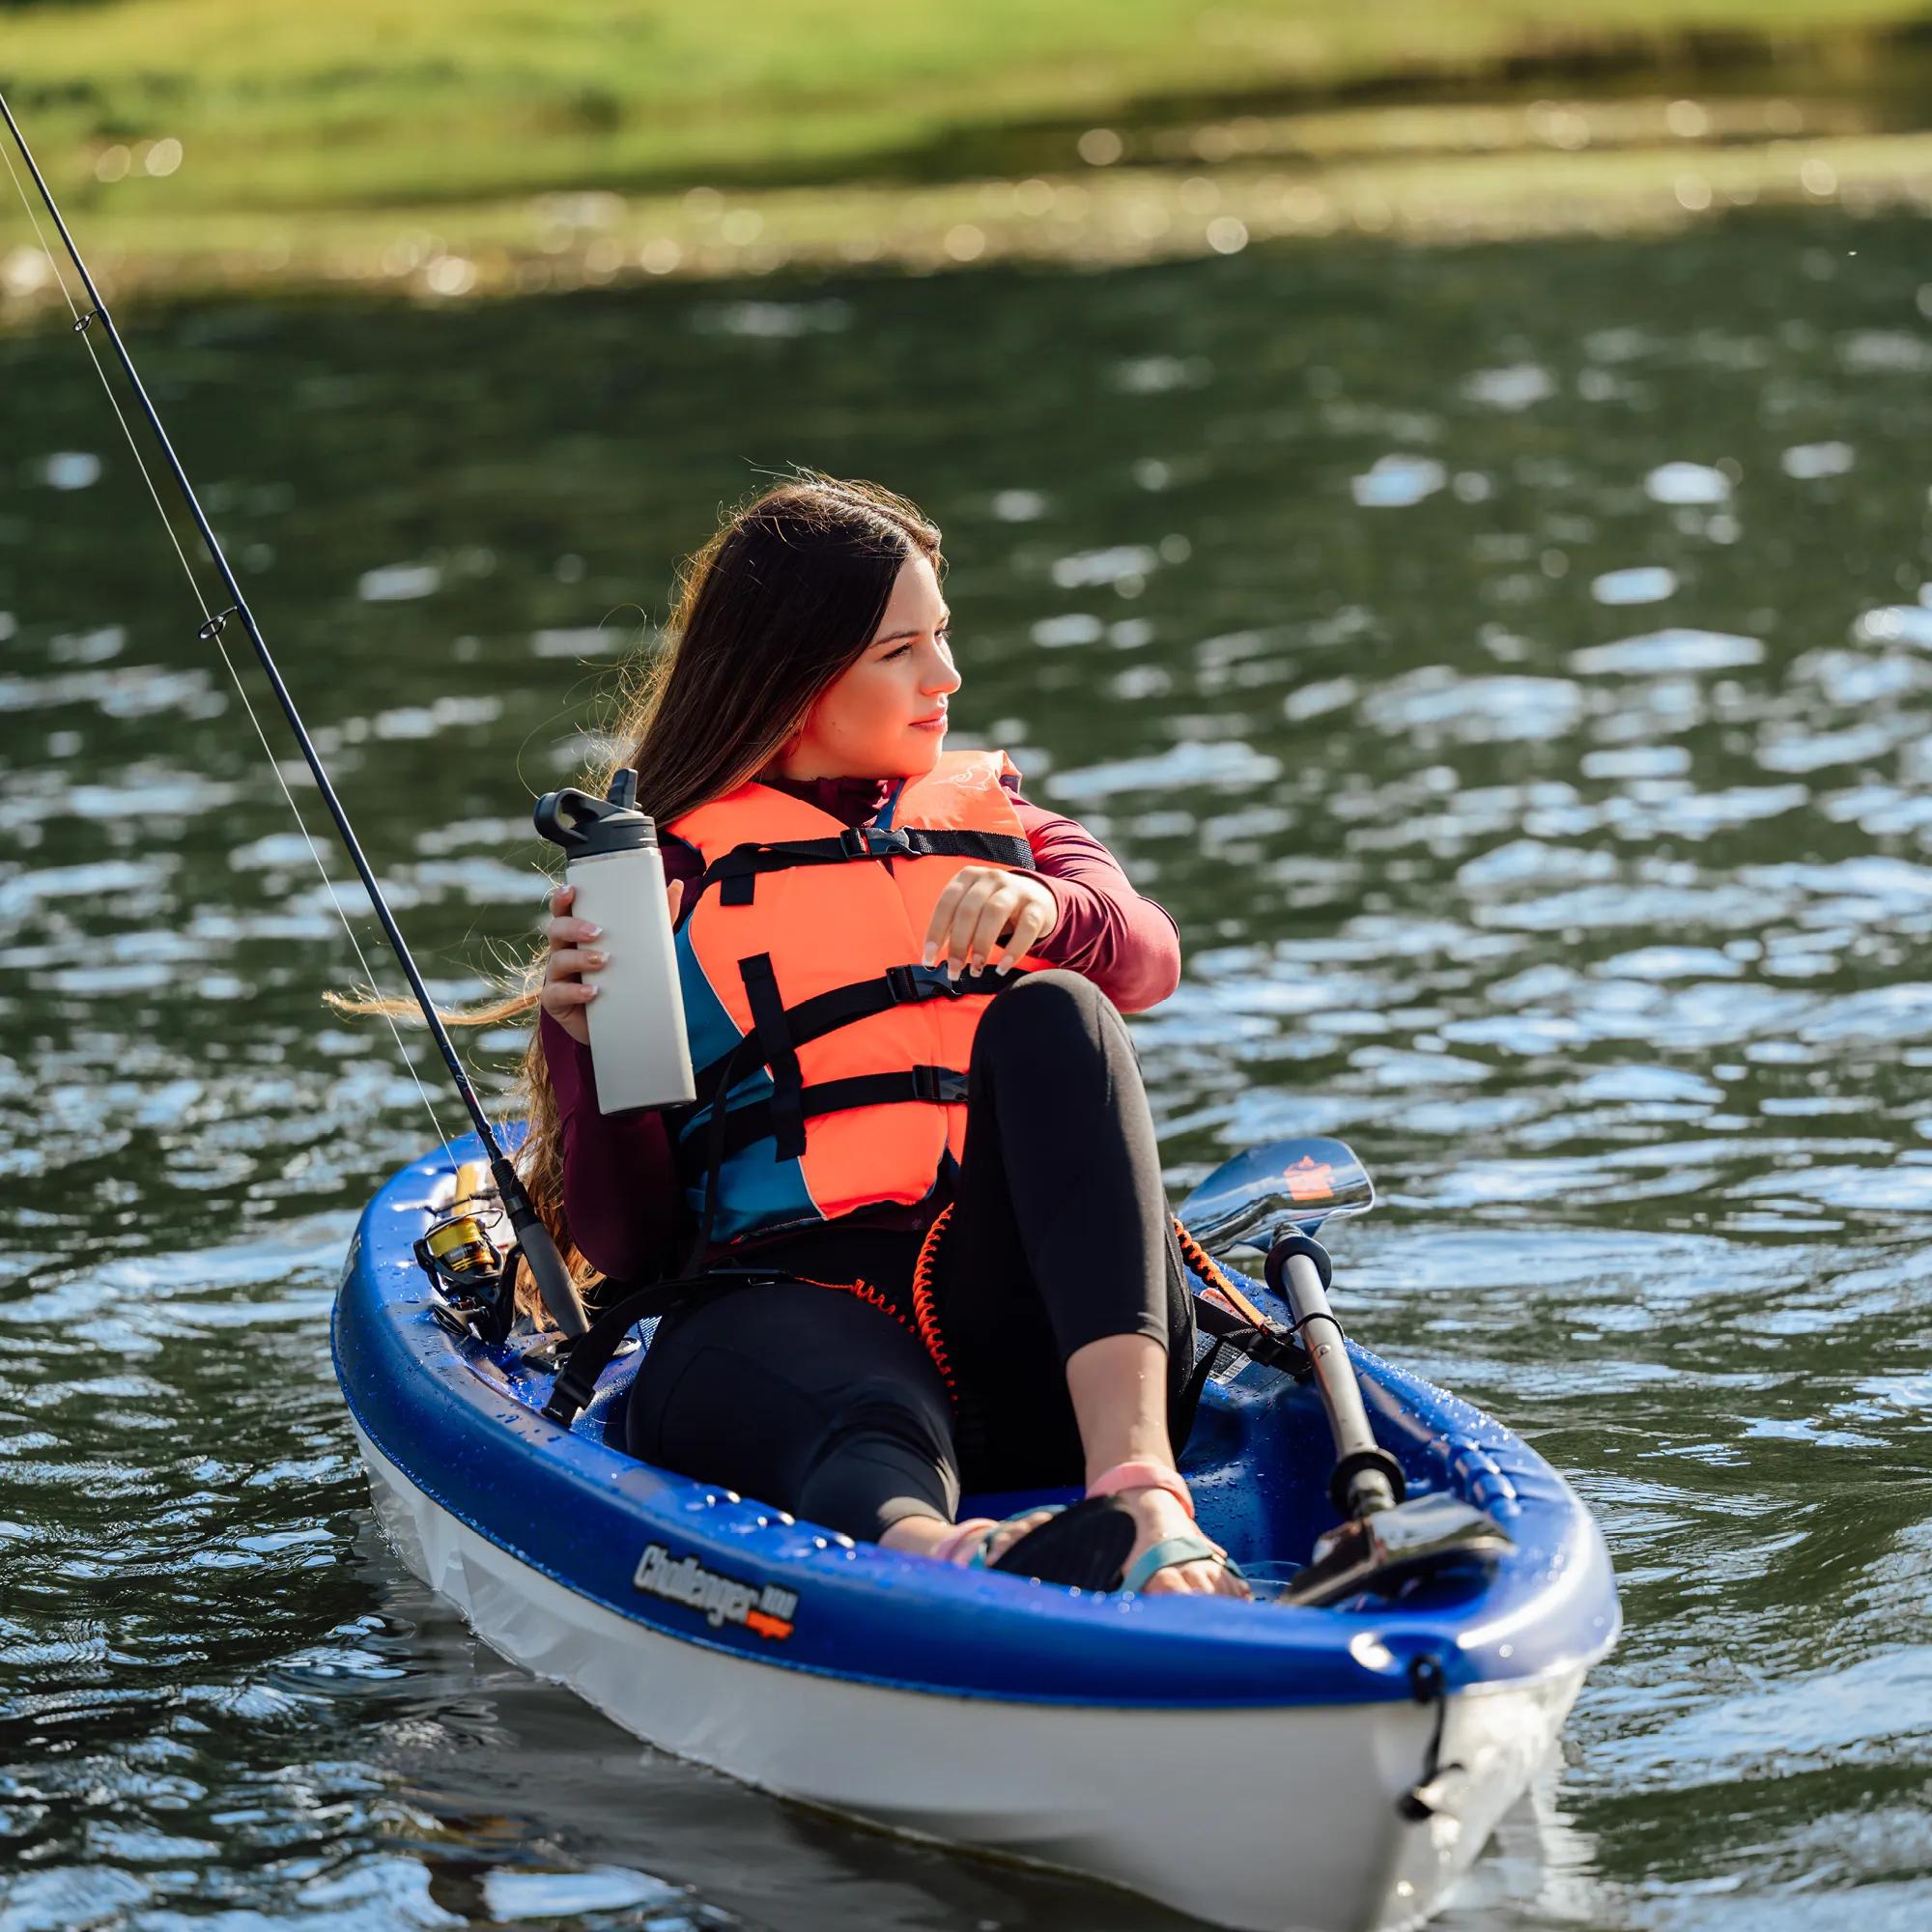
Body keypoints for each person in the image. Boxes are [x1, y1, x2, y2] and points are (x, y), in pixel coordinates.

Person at [518, 471, 1244, 1600]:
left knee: (1063, 1008)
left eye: (941, 637)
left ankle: (1140, 1496)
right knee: (861, 1414)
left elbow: (1147, 957)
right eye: (900, 651)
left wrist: (1057, 915)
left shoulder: (1015, 834)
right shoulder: (648, 887)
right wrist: (583, 1047)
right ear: (797, 677)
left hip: (1034, 1336)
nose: (945, 678)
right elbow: (626, 1240)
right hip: (786, 1323)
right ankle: (952, 1560)